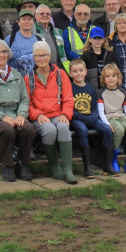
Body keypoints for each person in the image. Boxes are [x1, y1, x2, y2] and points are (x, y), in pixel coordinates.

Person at [0, 39, 37, 182]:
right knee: (7, 130)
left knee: (28, 128)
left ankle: (24, 164)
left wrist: (21, 115)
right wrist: (2, 116)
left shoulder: (16, 75)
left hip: (14, 115)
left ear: (8, 54)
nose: (1, 55)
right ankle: (7, 165)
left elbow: (24, 99)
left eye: (4, 52)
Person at [25, 41, 77, 184]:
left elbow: (68, 98)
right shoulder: (29, 78)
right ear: (34, 58)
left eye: (44, 55)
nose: (41, 59)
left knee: (63, 127)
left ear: (50, 56)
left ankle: (68, 170)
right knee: (50, 131)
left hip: (57, 114)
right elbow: (26, 103)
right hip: (40, 117)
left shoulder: (60, 74)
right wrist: (37, 114)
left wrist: (65, 114)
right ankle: (54, 165)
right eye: (38, 56)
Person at [68, 59, 117, 176]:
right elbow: (70, 110)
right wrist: (85, 118)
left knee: (106, 130)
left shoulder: (91, 89)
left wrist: (93, 117)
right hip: (76, 119)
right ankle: (87, 168)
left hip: (91, 117)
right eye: (75, 71)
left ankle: (107, 165)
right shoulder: (69, 88)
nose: (78, 73)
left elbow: (95, 108)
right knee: (83, 130)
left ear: (86, 72)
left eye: (81, 70)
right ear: (70, 73)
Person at [99, 63, 126, 173]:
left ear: (118, 77)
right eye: (107, 76)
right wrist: (107, 124)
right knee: (119, 130)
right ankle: (113, 159)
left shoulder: (123, 92)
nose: (111, 79)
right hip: (109, 117)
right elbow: (100, 112)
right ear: (103, 79)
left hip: (121, 116)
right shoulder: (101, 93)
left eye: (113, 76)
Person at [35, 4, 69, 72]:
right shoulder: (32, 31)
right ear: (36, 15)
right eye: (42, 13)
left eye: (47, 14)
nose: (45, 15)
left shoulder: (58, 31)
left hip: (60, 69)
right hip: (42, 70)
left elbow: (64, 52)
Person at [8, 9, 40, 75]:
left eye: (29, 19)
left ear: (33, 22)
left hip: (35, 81)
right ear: (18, 22)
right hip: (15, 81)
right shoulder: (10, 39)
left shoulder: (38, 40)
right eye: (24, 19)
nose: (27, 21)